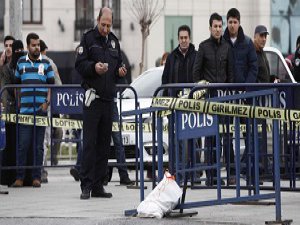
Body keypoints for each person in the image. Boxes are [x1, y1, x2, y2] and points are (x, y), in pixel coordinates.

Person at [75, 7, 127, 200]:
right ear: (98, 20)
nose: (105, 28)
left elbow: (119, 66)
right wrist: (94, 68)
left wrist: (120, 72)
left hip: (108, 100)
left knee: (105, 145)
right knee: (89, 144)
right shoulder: (88, 39)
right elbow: (79, 65)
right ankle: (86, 185)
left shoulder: (114, 41)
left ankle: (98, 185)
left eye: (108, 25)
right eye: (103, 24)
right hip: (92, 99)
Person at [193, 13, 234, 186]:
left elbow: (231, 74)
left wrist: (229, 92)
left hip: (224, 100)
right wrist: (202, 91)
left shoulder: (227, 47)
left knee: (226, 136)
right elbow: (196, 72)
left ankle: (228, 174)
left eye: (220, 26)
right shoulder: (203, 47)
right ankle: (212, 176)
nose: (218, 29)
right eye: (215, 26)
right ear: (210, 28)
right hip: (209, 100)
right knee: (210, 138)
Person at [12, 33, 55, 188]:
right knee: (23, 146)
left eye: (38, 45)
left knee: (38, 146)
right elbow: (15, 86)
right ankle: (20, 177)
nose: (37, 47)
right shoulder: (20, 63)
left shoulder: (47, 63)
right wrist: (18, 104)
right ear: (27, 46)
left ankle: (36, 177)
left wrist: (47, 103)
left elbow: (51, 85)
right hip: (24, 111)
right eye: (34, 45)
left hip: (41, 111)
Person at [223, 8, 258, 184]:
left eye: (235, 22)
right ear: (227, 22)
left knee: (249, 134)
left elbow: (254, 66)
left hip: (244, 97)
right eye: (229, 22)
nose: (232, 25)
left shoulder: (247, 43)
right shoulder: (222, 42)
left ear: (239, 22)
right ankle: (231, 173)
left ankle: (249, 171)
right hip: (227, 97)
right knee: (227, 135)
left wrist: (247, 88)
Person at [0, 40, 24, 186]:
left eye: (12, 46)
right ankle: (6, 177)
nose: (10, 49)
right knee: (7, 145)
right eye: (7, 46)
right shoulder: (5, 68)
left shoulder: (21, 65)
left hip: (21, 112)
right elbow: (7, 89)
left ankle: (19, 175)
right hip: (9, 112)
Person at [39, 39, 63, 183]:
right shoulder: (49, 63)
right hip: (48, 105)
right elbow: (58, 85)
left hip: (30, 104)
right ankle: (42, 169)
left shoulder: (25, 62)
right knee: (45, 137)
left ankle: (39, 168)